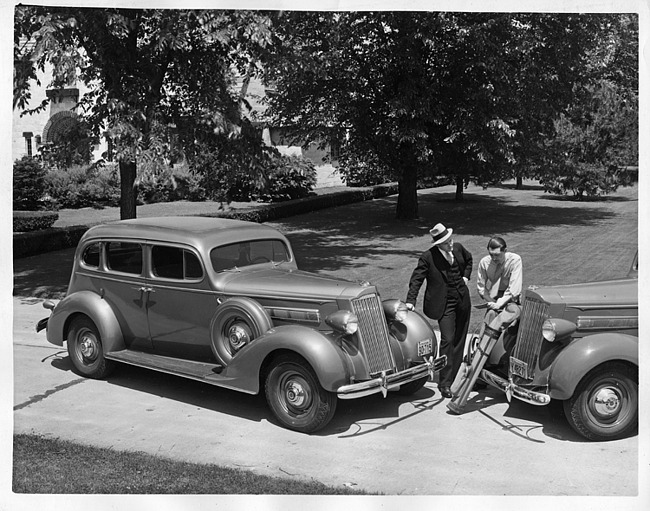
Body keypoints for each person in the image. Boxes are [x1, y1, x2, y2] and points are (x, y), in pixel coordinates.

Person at [406, 223, 473, 398]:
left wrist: (465, 277)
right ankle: (445, 383)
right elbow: (417, 279)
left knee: (460, 339)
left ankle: (457, 377)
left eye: (451, 240)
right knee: (447, 339)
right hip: (444, 305)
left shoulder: (458, 249)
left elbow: (469, 260)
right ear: (438, 245)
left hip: (462, 300)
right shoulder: (428, 257)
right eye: (446, 242)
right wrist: (410, 301)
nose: (450, 244)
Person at [476, 236, 523, 333]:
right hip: (494, 297)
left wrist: (499, 304)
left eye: (497, 255)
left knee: (510, 329)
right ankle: (482, 344)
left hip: (511, 299)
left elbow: (514, 288)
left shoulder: (515, 260)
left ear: (505, 250)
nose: (493, 258)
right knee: (489, 321)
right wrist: (491, 301)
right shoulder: (484, 262)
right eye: (491, 254)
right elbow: (481, 287)